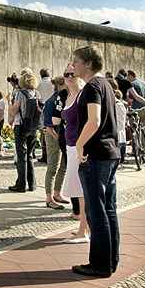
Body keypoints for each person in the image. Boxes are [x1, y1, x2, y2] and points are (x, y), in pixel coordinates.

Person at [72, 46, 121, 278]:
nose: (74, 65)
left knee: (96, 210)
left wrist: (79, 144)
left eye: (77, 61)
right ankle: (110, 260)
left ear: (89, 64)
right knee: (108, 209)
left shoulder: (92, 87)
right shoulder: (106, 85)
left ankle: (100, 264)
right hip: (109, 153)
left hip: (96, 154)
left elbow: (94, 120)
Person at [60, 64, 87, 236]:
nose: (69, 77)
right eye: (66, 74)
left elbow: (91, 121)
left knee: (81, 190)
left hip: (79, 147)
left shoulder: (82, 95)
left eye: (72, 74)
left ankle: (83, 230)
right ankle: (85, 228)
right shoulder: (69, 95)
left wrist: (80, 146)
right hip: (70, 146)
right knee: (76, 189)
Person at [8, 68, 40, 192]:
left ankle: (21, 184)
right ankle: (32, 184)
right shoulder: (36, 93)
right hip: (33, 127)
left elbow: (14, 111)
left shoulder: (20, 93)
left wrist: (9, 103)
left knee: (21, 156)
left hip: (21, 126)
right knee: (30, 155)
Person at [42, 77, 69, 206]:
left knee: (63, 166)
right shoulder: (52, 101)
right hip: (54, 135)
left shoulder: (66, 98)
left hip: (63, 136)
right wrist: (60, 138)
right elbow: (49, 126)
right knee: (53, 167)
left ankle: (57, 193)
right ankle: (49, 197)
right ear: (61, 85)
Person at [37, 68, 54, 163]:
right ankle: (51, 155)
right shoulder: (53, 83)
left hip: (43, 108)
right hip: (53, 108)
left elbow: (38, 98)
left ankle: (45, 155)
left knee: (44, 132)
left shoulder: (39, 85)